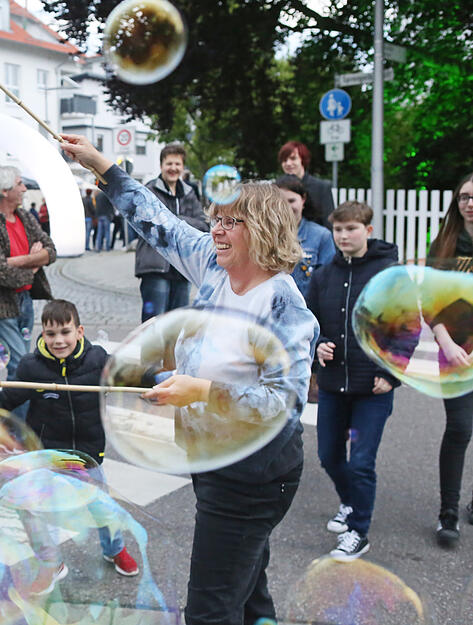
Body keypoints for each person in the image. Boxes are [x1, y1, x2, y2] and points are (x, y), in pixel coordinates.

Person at [61, 133, 318, 625]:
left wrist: (200, 391)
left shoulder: (284, 305)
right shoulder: (215, 267)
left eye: (230, 222)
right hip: (214, 458)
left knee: (210, 608)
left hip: (252, 475)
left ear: (262, 229)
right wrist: (102, 166)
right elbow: (158, 224)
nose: (215, 230)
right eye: (215, 220)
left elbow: (283, 405)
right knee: (246, 586)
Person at [0, 299, 140, 576]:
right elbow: (6, 397)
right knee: (29, 509)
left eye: (65, 332)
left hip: (87, 457)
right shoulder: (32, 367)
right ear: (42, 334)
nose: (58, 340)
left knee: (104, 510)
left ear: (79, 331)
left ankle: (114, 549)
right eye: (51, 333)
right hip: (45, 454)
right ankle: (50, 562)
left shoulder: (97, 361)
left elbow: (132, 375)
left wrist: (161, 380)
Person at [305, 201, 400, 561]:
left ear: (368, 231)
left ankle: (359, 530)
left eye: (351, 229)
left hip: (372, 390)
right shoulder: (324, 274)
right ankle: (350, 501)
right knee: (329, 455)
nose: (344, 236)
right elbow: (310, 323)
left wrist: (390, 375)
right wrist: (318, 345)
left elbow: (406, 327)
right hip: (332, 386)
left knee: (361, 461)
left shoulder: (388, 273)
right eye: (338, 230)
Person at [426, 171, 473, 547]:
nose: (469, 203)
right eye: (463, 197)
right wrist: (445, 341)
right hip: (453, 350)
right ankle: (449, 514)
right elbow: (431, 302)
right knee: (459, 429)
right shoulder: (443, 244)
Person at [0, 165, 56, 382]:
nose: (24, 188)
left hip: (25, 301)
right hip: (0, 307)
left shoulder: (24, 216)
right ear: (4, 190)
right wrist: (33, 265)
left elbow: (50, 250)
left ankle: (14, 414)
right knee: (21, 367)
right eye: (19, 183)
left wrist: (18, 262)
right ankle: (20, 416)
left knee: (21, 368)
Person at [139, 143, 208, 321]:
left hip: (182, 267)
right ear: (161, 165)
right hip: (156, 267)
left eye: (177, 164)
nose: (173, 168)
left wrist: (175, 220)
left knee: (178, 324)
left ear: (183, 168)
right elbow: (149, 223)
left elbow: (202, 224)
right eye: (169, 164)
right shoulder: (149, 190)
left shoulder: (189, 192)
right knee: (153, 323)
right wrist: (180, 222)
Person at [275, 175, 335, 296]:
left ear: (303, 199)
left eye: (291, 201)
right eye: (282, 202)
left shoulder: (321, 236)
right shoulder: (263, 235)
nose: (287, 207)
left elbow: (328, 282)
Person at [279, 141, 335, 224]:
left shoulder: (321, 187)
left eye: (293, 158)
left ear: (303, 160)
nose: (288, 163)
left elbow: (329, 221)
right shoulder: (276, 187)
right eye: (284, 160)